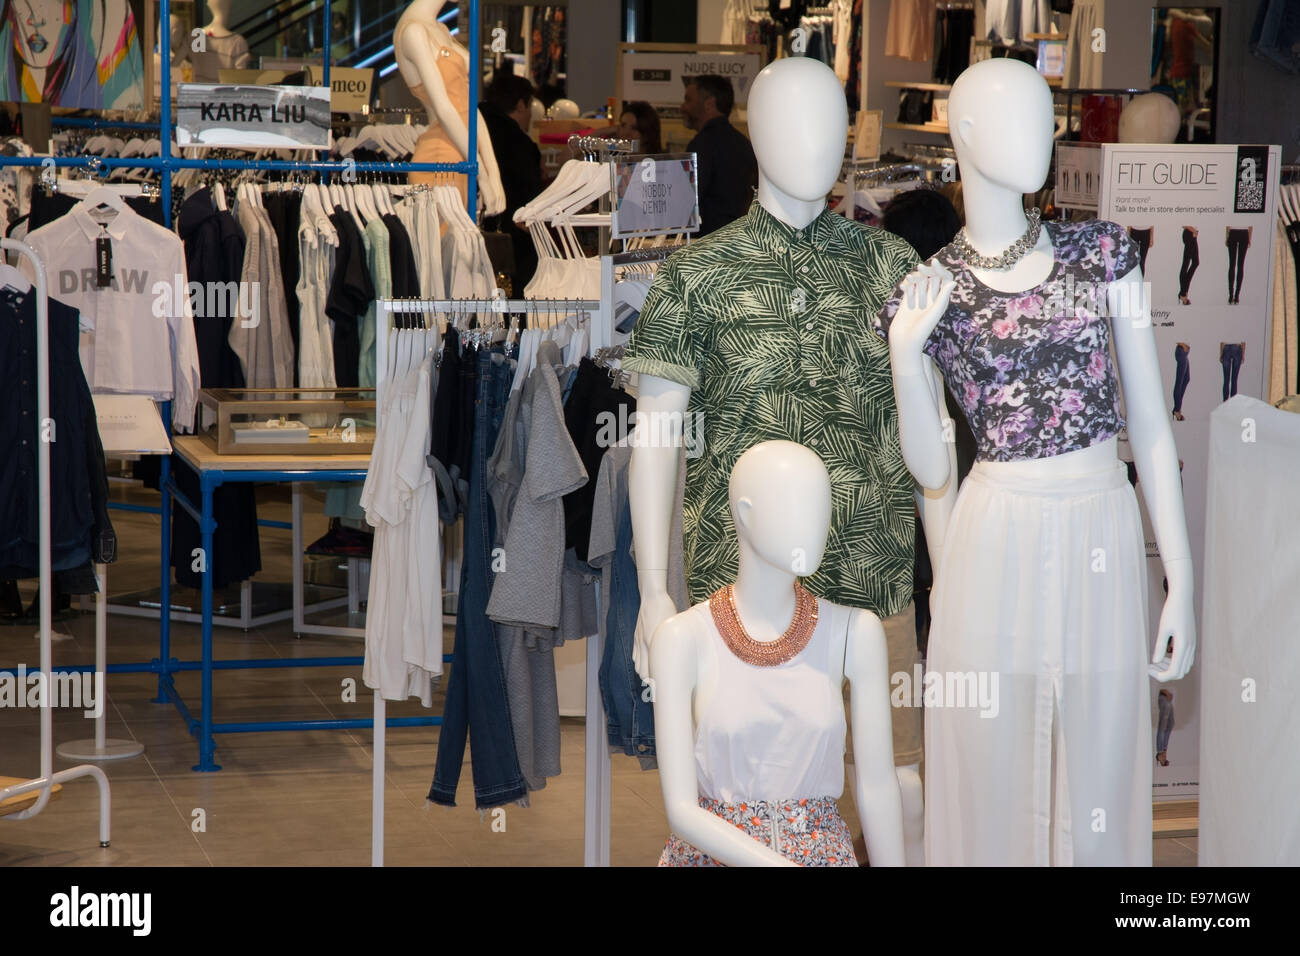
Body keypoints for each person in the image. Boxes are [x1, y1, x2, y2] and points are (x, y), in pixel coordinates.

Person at [480, 71, 544, 291]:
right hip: (513, 246)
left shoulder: (475, 130)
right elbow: (531, 198)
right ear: (520, 105)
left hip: (475, 234)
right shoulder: (518, 143)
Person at [681, 75, 757, 236]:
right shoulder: (744, 144)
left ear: (709, 104)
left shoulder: (701, 145)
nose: (683, 107)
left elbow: (686, 202)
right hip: (739, 240)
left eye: (688, 100)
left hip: (706, 243)